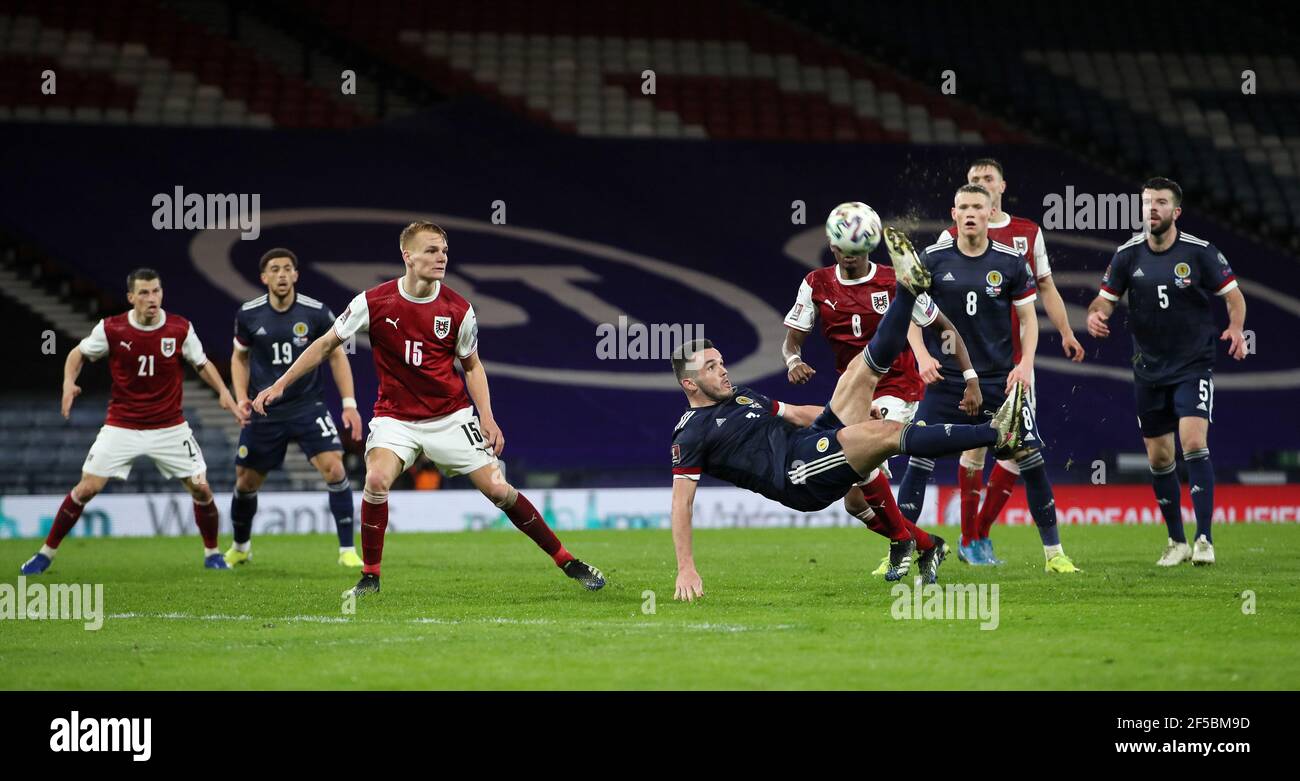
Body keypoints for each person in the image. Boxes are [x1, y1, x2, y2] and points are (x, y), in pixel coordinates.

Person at [670, 227, 1033, 601]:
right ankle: (998, 434)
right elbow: (682, 503)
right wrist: (686, 567)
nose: (724, 370)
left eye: (721, 362)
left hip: (809, 440)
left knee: (863, 367)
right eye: (711, 368)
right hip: (798, 475)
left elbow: (795, 413)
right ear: (690, 385)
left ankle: (923, 544)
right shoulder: (691, 434)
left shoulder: (740, 397)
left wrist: (852, 410)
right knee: (887, 435)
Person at [252, 221, 606, 595]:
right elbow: (325, 345)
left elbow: (471, 365)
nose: (442, 258)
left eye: (445, 251)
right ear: (408, 256)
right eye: (432, 250)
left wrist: (486, 415)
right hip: (395, 418)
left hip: (450, 417)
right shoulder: (373, 302)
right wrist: (279, 384)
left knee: (500, 489)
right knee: (375, 481)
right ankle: (370, 576)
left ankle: (568, 561)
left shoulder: (458, 309)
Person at [783, 206, 982, 580]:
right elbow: (791, 344)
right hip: (851, 394)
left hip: (896, 389)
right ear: (831, 244)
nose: (850, 256)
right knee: (854, 502)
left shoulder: (895, 280)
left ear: (871, 245)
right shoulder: (816, 284)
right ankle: (924, 543)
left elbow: (943, 326)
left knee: (862, 464)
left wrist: (970, 376)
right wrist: (793, 361)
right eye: (843, 249)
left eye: (858, 250)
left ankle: (902, 543)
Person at [893, 185, 1080, 574]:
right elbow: (908, 316)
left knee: (1029, 457)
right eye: (964, 207)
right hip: (947, 380)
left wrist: (1026, 363)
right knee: (918, 455)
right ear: (954, 214)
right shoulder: (932, 258)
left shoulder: (1012, 262)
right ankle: (897, 552)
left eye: (978, 206)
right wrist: (922, 355)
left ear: (990, 210)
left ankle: (1054, 554)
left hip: (999, 380)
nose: (971, 213)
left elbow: (1029, 320)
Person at [20, 268, 246, 574]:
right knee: (87, 488)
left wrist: (223, 392)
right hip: (122, 425)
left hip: (170, 427)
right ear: (131, 297)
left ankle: (213, 553)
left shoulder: (179, 328)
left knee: (201, 489)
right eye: (144, 293)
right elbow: (78, 354)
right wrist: (68, 382)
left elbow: (201, 363)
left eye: (156, 291)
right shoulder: (112, 329)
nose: (151, 298)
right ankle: (45, 553)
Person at [1086, 177, 1247, 566]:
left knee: (1192, 443)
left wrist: (1237, 329)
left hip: (1193, 363)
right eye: (1146, 203)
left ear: (1176, 212)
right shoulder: (1126, 255)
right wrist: (1096, 316)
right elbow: (1103, 300)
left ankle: (1204, 538)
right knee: (1160, 459)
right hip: (1148, 369)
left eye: (1160, 203)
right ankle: (1176, 541)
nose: (1151, 209)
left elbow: (1234, 296)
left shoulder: (1200, 252)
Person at [225, 247, 365, 567]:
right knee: (245, 481)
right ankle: (240, 546)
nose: (282, 275)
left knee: (335, 467)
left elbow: (337, 355)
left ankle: (347, 551)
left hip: (307, 405)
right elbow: (239, 357)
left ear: (296, 275)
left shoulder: (316, 313)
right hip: (265, 410)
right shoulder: (248, 314)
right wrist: (241, 396)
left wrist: (348, 404)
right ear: (264, 277)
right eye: (274, 269)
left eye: (288, 269)